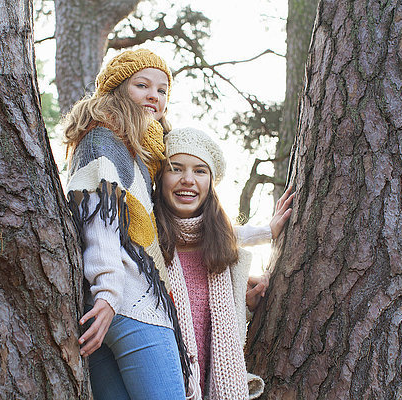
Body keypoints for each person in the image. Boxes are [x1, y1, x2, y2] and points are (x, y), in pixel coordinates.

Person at [63, 48, 190, 399]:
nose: (155, 95)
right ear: (119, 89)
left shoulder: (136, 154)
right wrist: (108, 293)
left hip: (104, 311)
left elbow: (182, 229)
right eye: (142, 85)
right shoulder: (107, 139)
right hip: (131, 306)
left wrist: (263, 233)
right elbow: (99, 220)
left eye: (162, 90)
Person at [154, 127, 294, 399]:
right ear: (160, 178)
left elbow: (219, 327)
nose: (187, 179)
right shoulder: (148, 244)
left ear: (211, 182)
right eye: (175, 168)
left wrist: (246, 303)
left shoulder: (222, 251)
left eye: (200, 171)